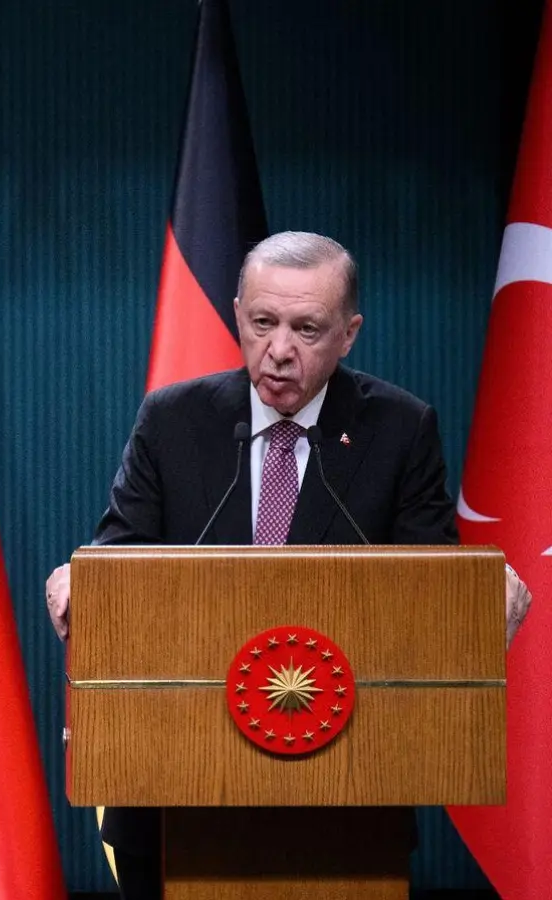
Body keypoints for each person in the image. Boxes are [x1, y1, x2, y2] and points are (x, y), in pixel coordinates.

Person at [42, 231, 533, 900]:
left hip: (345, 803)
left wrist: (473, 604)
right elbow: (122, 557)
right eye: (263, 322)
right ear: (239, 312)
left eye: (307, 329)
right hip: (176, 800)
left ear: (349, 333)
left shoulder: (399, 428)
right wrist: (85, 582)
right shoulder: (173, 420)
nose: (278, 350)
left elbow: (428, 589)